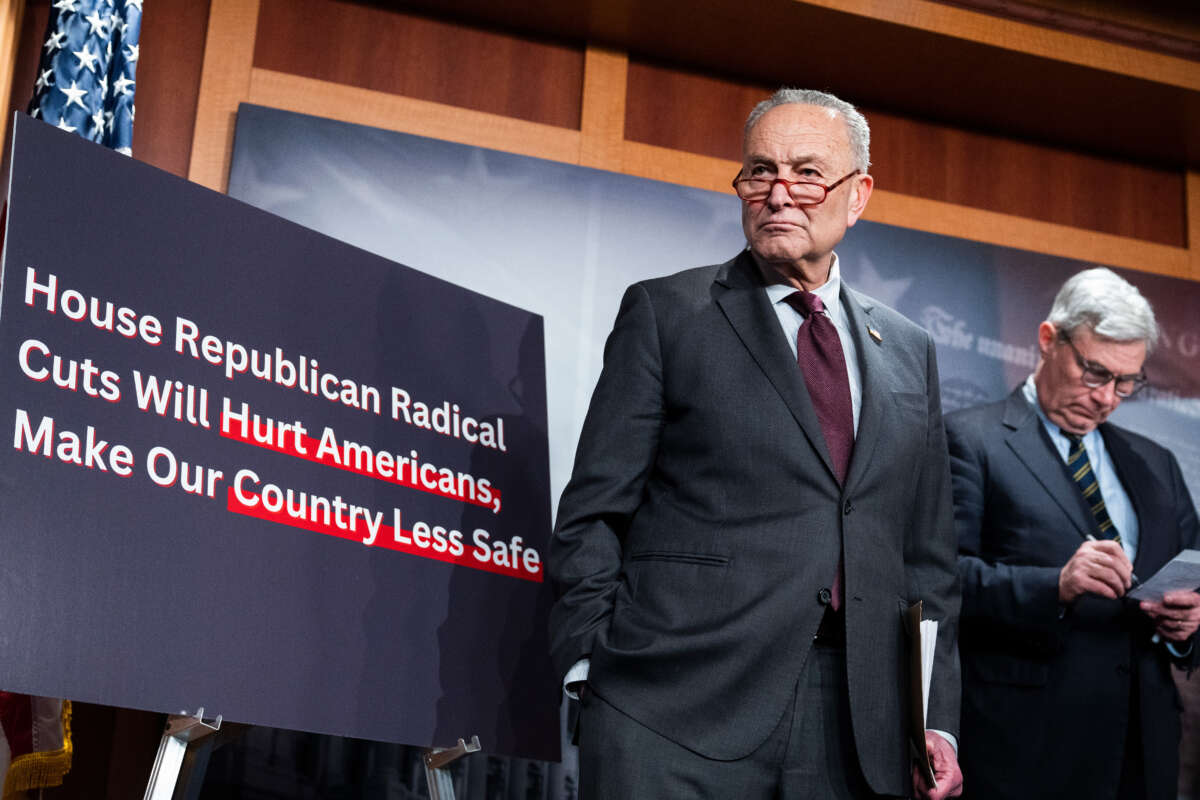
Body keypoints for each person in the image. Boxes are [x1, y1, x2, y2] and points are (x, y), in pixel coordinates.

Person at [547, 88, 962, 799]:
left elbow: (925, 557)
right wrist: (594, 663)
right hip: (673, 704)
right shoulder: (668, 312)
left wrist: (931, 715)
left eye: (806, 173)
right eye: (758, 172)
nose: (778, 193)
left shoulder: (909, 348)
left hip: (858, 725)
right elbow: (594, 510)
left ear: (857, 194)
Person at [945, 267, 1200, 800]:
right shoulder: (970, 440)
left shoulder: (1158, 464)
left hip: (1144, 751)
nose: (1108, 397)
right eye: (1095, 372)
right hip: (1025, 748)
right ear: (1047, 339)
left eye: (1127, 382)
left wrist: (1190, 625)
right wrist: (1054, 585)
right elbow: (939, 582)